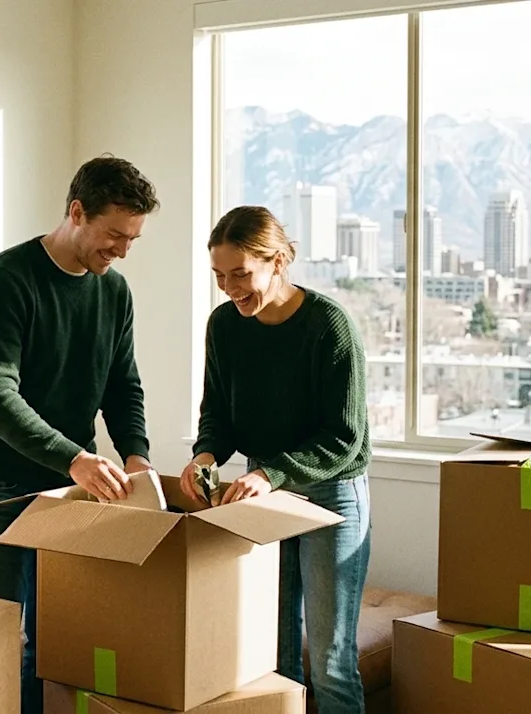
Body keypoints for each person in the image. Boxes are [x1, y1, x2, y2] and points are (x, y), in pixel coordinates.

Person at [0, 155, 160, 714]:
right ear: (77, 212)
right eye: (115, 235)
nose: (121, 250)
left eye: (132, 238)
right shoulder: (5, 281)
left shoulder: (113, 292)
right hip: (1, 485)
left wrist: (136, 455)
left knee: (55, 645)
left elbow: (123, 385)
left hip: (74, 493)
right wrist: (74, 458)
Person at [180, 205, 372, 714]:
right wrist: (205, 454)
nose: (229, 287)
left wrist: (269, 474)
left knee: (330, 661)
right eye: (220, 275)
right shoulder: (224, 325)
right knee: (271, 651)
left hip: (331, 493)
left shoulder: (329, 327)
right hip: (263, 491)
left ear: (279, 261)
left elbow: (344, 437)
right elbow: (218, 413)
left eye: (240, 274)